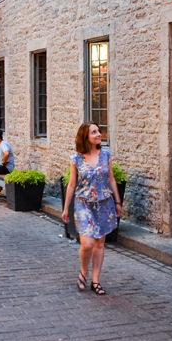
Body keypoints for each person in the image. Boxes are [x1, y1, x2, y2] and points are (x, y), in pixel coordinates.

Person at [61, 122, 123, 296]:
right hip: (84, 203)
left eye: (98, 131)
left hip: (104, 203)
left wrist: (118, 202)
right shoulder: (76, 159)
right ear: (85, 137)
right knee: (87, 243)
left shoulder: (106, 156)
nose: (98, 134)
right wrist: (66, 208)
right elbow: (72, 184)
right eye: (93, 132)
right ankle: (84, 271)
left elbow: (111, 180)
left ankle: (96, 281)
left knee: (100, 243)